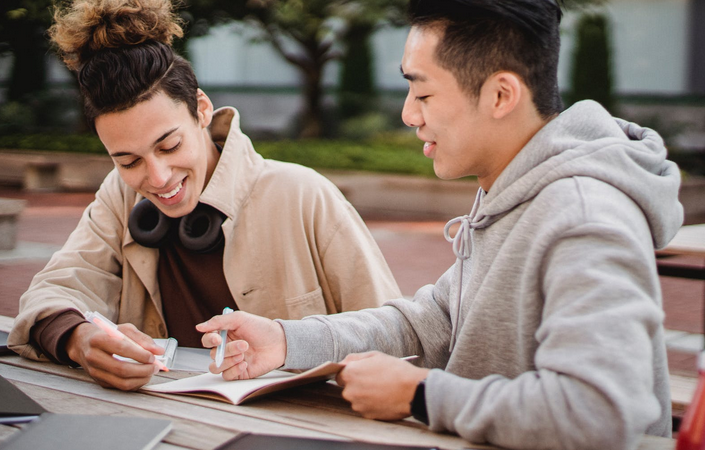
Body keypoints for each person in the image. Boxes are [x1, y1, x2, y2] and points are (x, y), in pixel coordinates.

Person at [195, 0, 684, 448]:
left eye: (422, 92)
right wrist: (285, 340)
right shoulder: (514, 192)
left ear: (500, 95)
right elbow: (433, 321)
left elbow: (600, 412)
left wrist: (421, 395)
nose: (409, 114)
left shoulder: (583, 216)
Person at [8, 0, 401, 391]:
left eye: (169, 145)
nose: (158, 178)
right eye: (128, 161)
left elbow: (396, 336)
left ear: (201, 109)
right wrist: (79, 339)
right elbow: (51, 292)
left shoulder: (304, 195)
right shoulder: (119, 196)